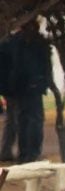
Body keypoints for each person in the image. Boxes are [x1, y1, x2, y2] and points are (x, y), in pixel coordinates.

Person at [7, 20, 50, 163]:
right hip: (28, 88)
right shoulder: (34, 42)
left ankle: (27, 153)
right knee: (30, 120)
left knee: (25, 120)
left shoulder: (18, 41)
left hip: (25, 87)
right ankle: (29, 153)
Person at [0, 34, 18, 162]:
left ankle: (7, 151)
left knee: (12, 121)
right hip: (12, 88)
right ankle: (6, 151)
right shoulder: (10, 44)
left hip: (10, 88)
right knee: (13, 121)